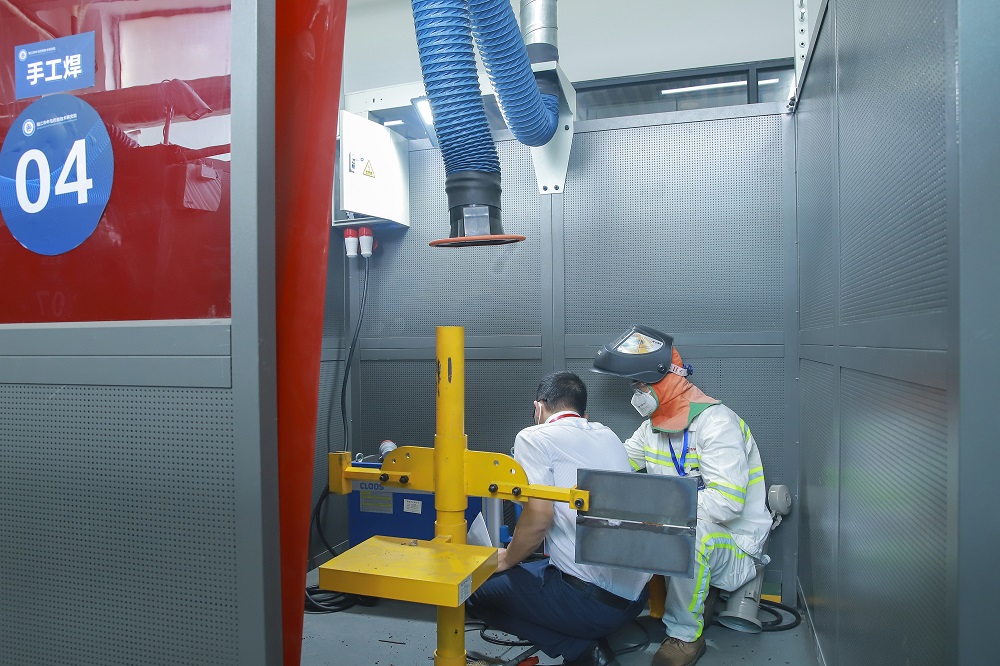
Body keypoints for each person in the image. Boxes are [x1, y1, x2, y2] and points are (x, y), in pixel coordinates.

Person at [592, 326, 771, 666]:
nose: (636, 394)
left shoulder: (717, 424)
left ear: (663, 380)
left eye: (640, 385)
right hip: (676, 532)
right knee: (611, 504)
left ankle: (685, 636)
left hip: (734, 545)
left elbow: (726, 505)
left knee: (692, 533)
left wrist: (657, 507)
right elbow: (616, 465)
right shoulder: (652, 428)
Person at [466, 371, 651, 666]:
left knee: (472, 591)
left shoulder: (533, 437)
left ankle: (580, 649)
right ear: (582, 412)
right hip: (636, 599)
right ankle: (584, 643)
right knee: (537, 568)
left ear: (538, 408)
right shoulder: (607, 433)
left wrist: (508, 559)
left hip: (591, 607)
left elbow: (539, 515)